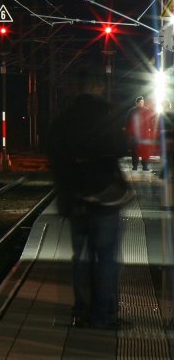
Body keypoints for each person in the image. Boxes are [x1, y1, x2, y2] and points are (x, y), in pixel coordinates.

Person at [48, 68, 131, 330]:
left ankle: (80, 312)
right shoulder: (107, 114)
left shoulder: (63, 118)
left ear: (76, 88)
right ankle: (103, 316)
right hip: (105, 195)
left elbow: (53, 156)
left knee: (80, 256)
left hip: (74, 196)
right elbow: (120, 147)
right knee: (105, 257)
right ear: (98, 88)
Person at [125, 96, 157, 171]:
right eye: (140, 102)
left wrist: (151, 130)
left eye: (142, 102)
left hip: (141, 134)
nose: (141, 103)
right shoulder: (135, 111)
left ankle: (141, 166)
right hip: (138, 134)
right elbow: (128, 122)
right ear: (137, 103)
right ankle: (139, 166)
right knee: (138, 150)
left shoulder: (133, 111)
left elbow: (150, 122)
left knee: (142, 150)